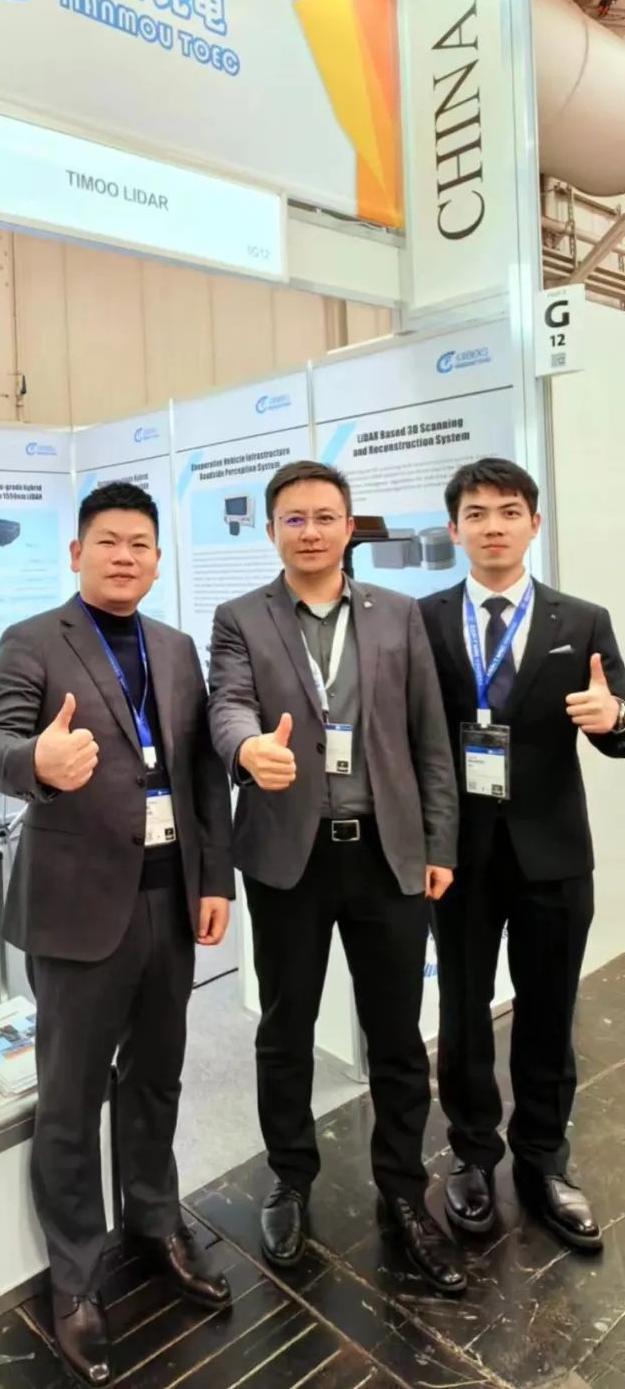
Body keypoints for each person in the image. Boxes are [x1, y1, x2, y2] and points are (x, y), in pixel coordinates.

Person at [0, 481, 235, 1387]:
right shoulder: (34, 640)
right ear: (77, 553)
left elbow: (201, 776)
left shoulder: (177, 646)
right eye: (108, 541)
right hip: (80, 907)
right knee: (72, 1095)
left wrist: (215, 880)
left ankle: (155, 1221)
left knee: (157, 1074)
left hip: (169, 900)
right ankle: (76, 1273)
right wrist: (36, 762)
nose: (125, 556)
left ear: (157, 559)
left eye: (140, 544)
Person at [208, 460, 466, 1295]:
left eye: (325, 517)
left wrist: (439, 841)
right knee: (286, 1028)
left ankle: (404, 1190)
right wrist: (249, 748)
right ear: (271, 530)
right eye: (294, 518)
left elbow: (430, 737)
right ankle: (290, 1177)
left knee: (397, 1034)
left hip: (387, 853)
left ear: (350, 527)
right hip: (290, 857)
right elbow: (227, 704)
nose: (311, 531)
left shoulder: (398, 613)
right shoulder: (240, 617)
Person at [419, 458, 625, 1250]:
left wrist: (614, 717)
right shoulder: (424, 620)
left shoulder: (584, 619)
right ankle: (473, 1155)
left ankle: (543, 1159)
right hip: (458, 855)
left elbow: (620, 725)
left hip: (554, 854)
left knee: (548, 1011)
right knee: (463, 1013)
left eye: (509, 511)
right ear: (455, 529)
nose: (494, 525)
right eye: (476, 513)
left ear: (534, 524)